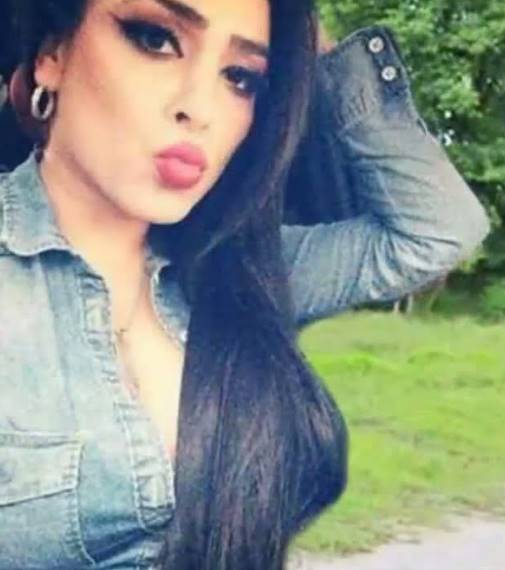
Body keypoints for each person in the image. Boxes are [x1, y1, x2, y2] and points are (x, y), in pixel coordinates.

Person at [0, 1, 489, 569]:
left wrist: (308, 43)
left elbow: (436, 230)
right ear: (53, 55)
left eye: (240, 77)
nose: (200, 109)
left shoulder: (242, 271)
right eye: (155, 39)